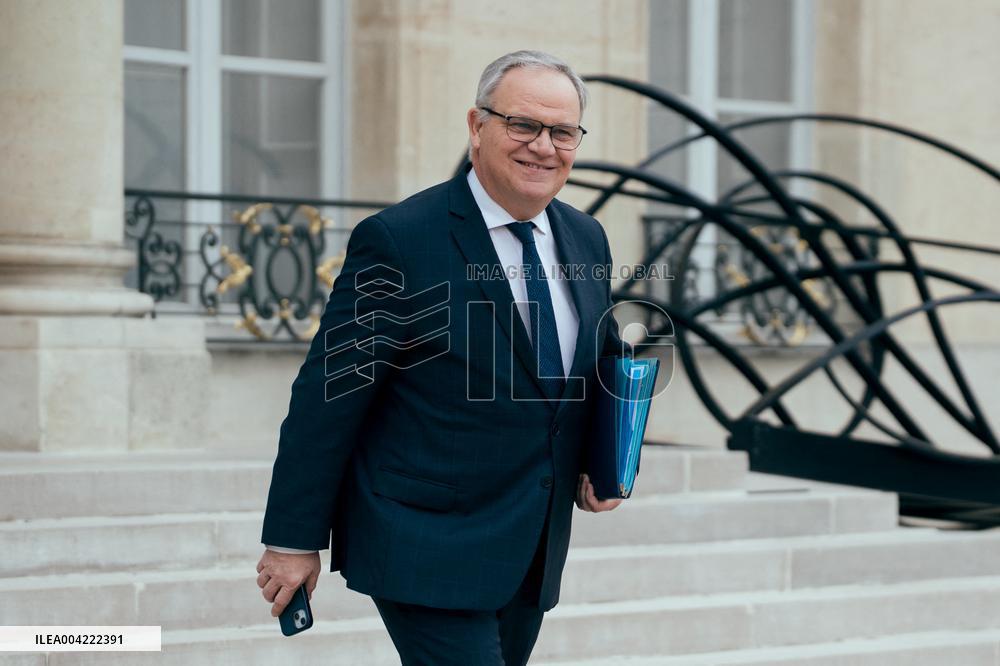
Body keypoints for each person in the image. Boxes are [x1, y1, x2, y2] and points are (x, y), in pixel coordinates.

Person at [256, 49, 627, 665]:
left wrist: (604, 458)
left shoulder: (586, 237)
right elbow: (330, 394)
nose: (543, 146)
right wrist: (293, 540)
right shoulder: (401, 240)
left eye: (562, 131)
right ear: (477, 126)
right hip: (424, 539)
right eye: (523, 125)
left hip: (530, 545)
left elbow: (590, 365)